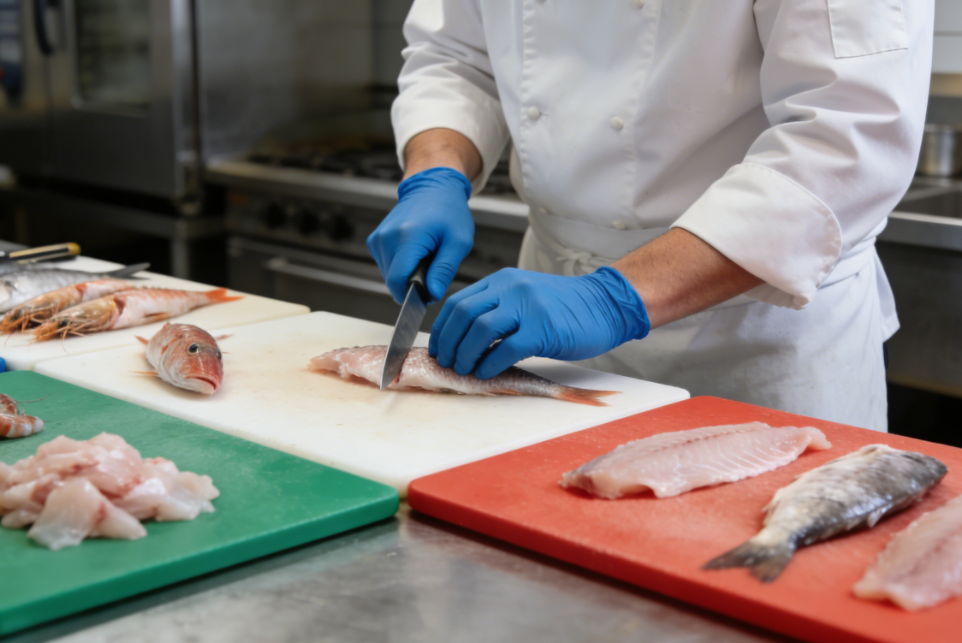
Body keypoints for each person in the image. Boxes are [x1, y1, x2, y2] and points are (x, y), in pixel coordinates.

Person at [367, 1, 933, 432]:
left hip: (753, 334)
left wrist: (611, 299)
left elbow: (847, 139)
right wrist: (437, 173)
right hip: (546, 318)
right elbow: (456, 57)